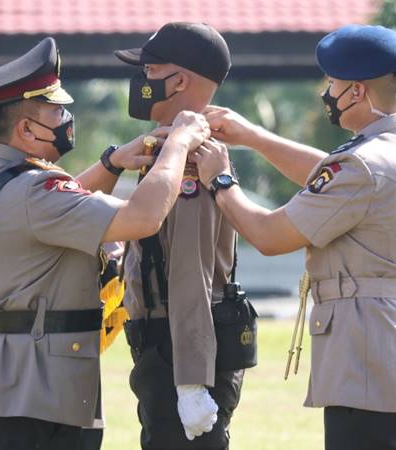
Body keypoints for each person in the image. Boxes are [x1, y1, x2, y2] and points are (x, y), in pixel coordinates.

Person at [192, 24, 396, 450]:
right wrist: (252, 137)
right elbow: (332, 179)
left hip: (370, 374)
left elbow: (269, 235)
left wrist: (220, 180)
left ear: (357, 92)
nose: (326, 93)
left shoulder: (361, 167)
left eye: (332, 83)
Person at [0, 36, 211, 450]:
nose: (66, 117)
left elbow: (57, 209)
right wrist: (178, 143)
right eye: (56, 109)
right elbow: (142, 217)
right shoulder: (38, 190)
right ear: (26, 128)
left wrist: (111, 164)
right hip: (35, 398)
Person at [113, 22, 245, 449]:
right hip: (166, 348)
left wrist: (191, 382)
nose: (141, 82)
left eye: (150, 71)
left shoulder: (189, 161)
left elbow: (191, 272)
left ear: (180, 81)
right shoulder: (165, 150)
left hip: (180, 352)